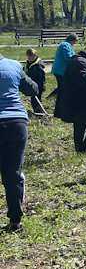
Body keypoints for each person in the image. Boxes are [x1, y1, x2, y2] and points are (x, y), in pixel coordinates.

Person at [0, 53, 39, 232]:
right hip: (16, 123)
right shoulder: (14, 65)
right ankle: (15, 221)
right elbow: (32, 89)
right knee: (13, 173)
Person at [24, 49, 46, 114]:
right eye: (28, 56)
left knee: (36, 100)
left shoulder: (38, 66)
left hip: (38, 86)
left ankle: (40, 113)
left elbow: (41, 79)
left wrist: (39, 88)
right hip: (32, 84)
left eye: (31, 56)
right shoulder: (29, 63)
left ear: (35, 56)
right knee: (33, 100)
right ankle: (37, 112)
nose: (29, 58)